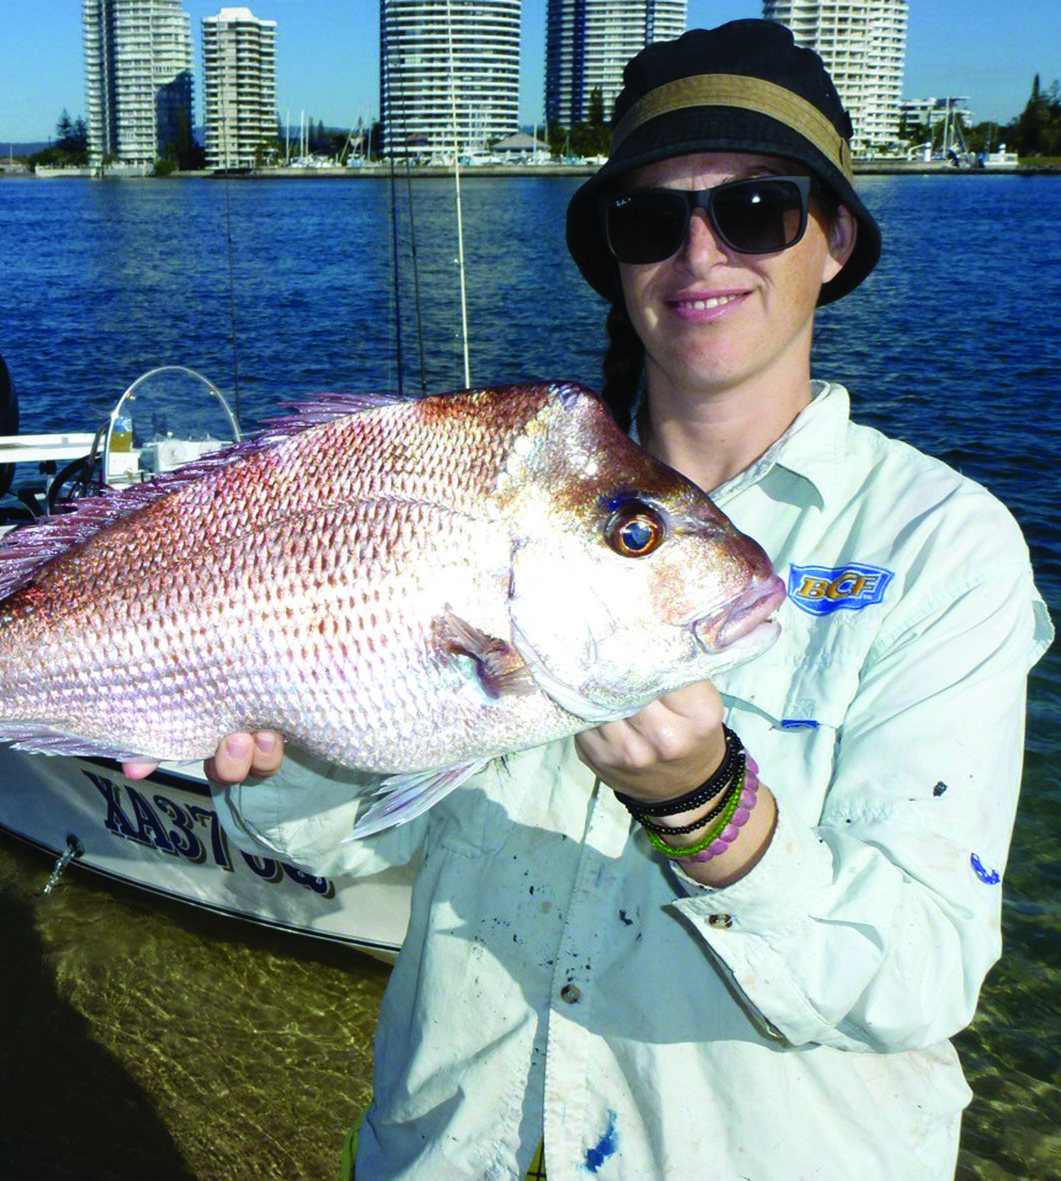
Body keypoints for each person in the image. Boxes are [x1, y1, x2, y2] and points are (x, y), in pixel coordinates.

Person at [127, 20, 1053, 1179]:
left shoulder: (945, 546)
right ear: (619, 258)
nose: (701, 255)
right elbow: (348, 847)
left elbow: (919, 974)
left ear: (836, 239)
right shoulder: (489, 499)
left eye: (758, 210)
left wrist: (712, 812)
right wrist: (287, 755)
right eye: (652, 219)